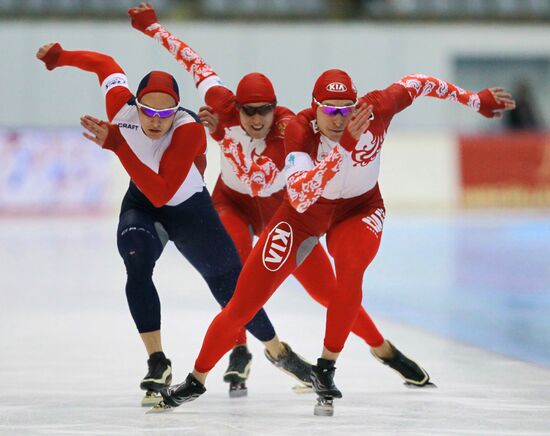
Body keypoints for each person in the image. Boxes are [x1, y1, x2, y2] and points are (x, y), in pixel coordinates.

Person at [150, 67, 515, 415]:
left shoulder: (377, 109)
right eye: (329, 111)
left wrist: (474, 100)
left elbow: (420, 83)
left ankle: (325, 367)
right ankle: (196, 380)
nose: (338, 120)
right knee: (242, 305)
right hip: (301, 215)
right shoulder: (298, 129)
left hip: (357, 210)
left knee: (350, 271)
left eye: (345, 111)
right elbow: (301, 194)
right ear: (315, 107)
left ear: (356, 105)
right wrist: (344, 149)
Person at [128, 2, 434, 397]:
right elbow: (192, 61)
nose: (256, 121)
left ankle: (383, 350)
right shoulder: (222, 107)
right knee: (235, 278)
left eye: (265, 112)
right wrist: (153, 28)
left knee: (329, 293)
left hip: (280, 212)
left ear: (277, 109)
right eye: (249, 112)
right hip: (232, 202)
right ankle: (239, 350)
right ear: (235, 107)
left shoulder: (290, 130)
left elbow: (320, 174)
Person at [35, 42, 312, 406]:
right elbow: (105, 62)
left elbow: (164, 192)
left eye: (165, 114)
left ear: (177, 111)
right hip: (142, 206)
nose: (155, 121)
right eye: (148, 110)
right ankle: (157, 361)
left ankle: (277, 351)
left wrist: (117, 145)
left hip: (187, 209)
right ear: (134, 104)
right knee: (136, 259)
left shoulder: (189, 130)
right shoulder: (120, 108)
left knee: (234, 292)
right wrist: (60, 59)